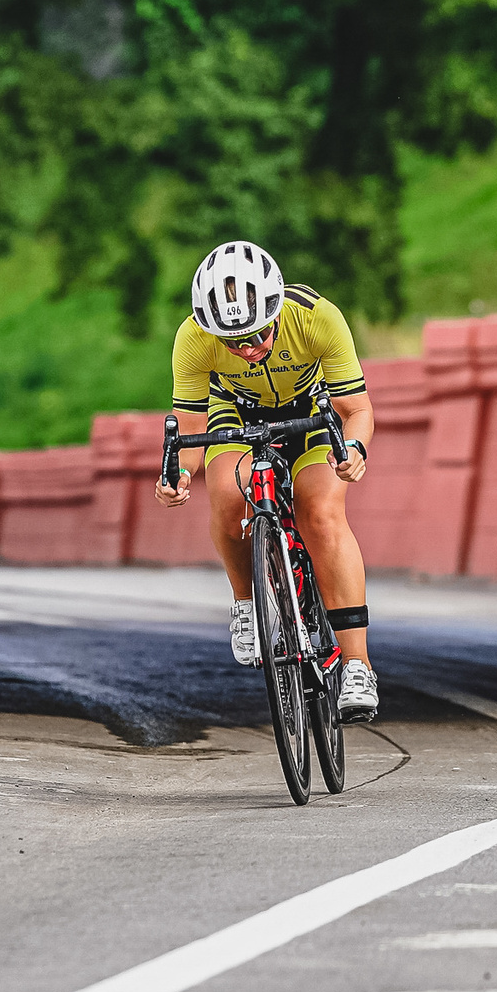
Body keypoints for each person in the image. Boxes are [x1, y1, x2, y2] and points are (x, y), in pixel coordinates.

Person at [154, 240, 379, 721]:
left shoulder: (317, 317)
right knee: (231, 497)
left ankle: (357, 664)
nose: (248, 351)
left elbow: (356, 409)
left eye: (256, 336)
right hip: (233, 413)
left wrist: (354, 450)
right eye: (233, 343)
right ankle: (245, 604)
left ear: (275, 309)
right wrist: (177, 476)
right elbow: (189, 430)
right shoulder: (193, 338)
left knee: (320, 512)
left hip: (311, 414)